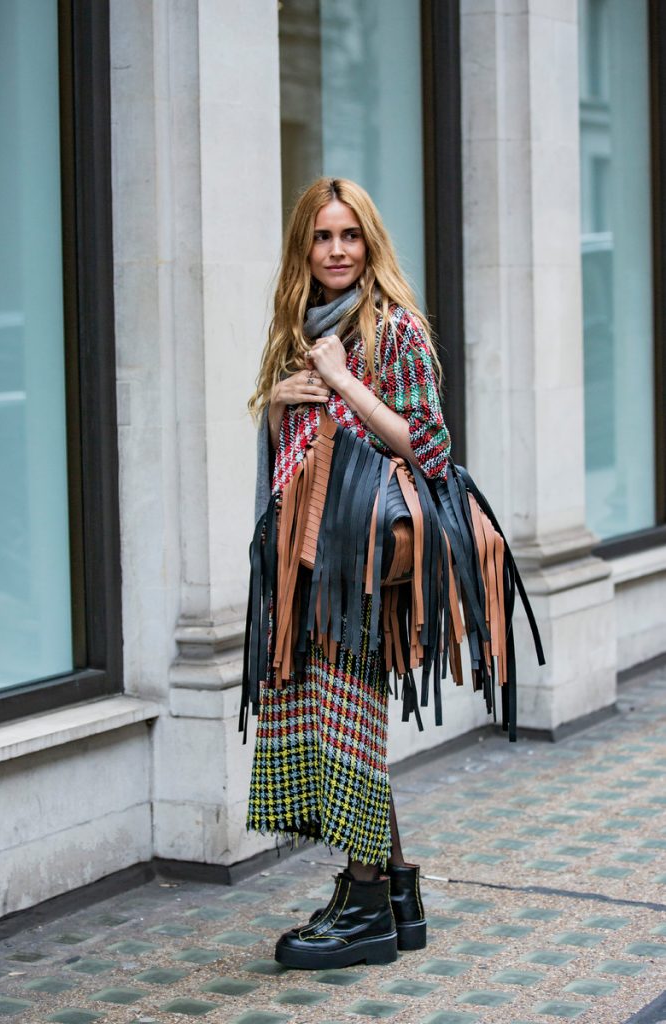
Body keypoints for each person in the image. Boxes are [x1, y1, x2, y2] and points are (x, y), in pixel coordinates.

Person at [245, 177, 451, 970]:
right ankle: (395, 898)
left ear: (370, 243)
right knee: (339, 720)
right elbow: (291, 455)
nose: (336, 251)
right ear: (304, 247)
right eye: (322, 236)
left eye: (350, 235)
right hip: (305, 556)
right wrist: (277, 403)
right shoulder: (297, 329)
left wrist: (341, 381)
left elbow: (428, 447)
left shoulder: (392, 328)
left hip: (359, 561)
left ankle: (365, 907)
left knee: (348, 721)